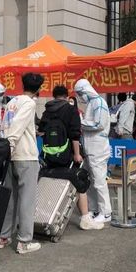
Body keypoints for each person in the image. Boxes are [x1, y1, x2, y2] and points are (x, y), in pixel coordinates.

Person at [38, 85, 103, 231]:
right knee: (79, 180)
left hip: (49, 154)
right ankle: (85, 218)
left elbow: (41, 131)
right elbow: (75, 134)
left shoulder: (47, 110)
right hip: (67, 154)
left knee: (52, 179)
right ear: (67, 97)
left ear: (54, 96)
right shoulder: (70, 109)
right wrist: (77, 154)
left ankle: (46, 215)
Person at [0, 73, 45, 254]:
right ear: (39, 88)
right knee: (27, 200)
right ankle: (24, 241)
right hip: (26, 155)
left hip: (10, 156)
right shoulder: (29, 103)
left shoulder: (12, 102)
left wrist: (7, 148)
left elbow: (6, 125)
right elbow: (18, 126)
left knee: (10, 198)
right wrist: (11, 143)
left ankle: (4, 236)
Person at [74, 79, 113, 225]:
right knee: (90, 181)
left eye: (80, 93)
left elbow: (99, 124)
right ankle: (95, 209)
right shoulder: (92, 103)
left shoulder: (99, 103)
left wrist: (80, 122)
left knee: (99, 181)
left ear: (86, 90)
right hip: (91, 148)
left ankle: (105, 212)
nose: (79, 97)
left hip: (98, 148)